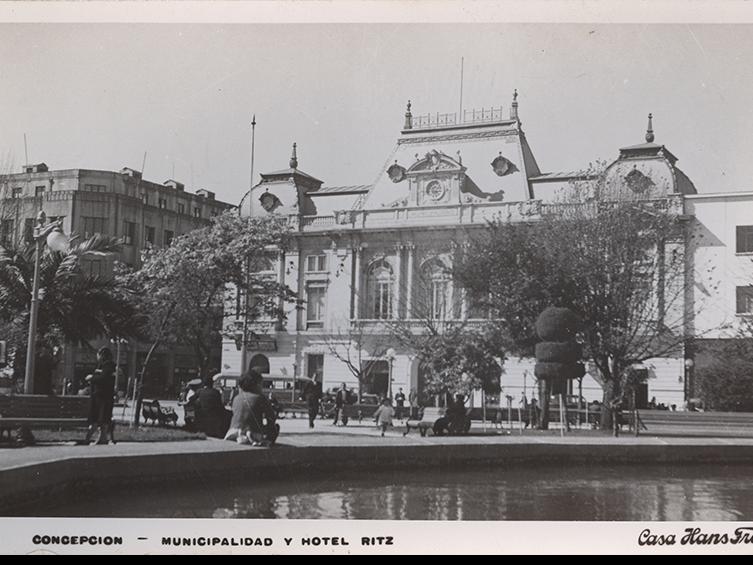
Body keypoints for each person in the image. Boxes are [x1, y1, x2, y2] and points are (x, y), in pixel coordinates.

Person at [224, 371, 280, 446]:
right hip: (252, 434)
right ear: (256, 385)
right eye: (261, 384)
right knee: (275, 427)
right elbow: (271, 418)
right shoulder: (260, 398)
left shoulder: (236, 398)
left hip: (232, 432)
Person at [84, 347, 117, 445]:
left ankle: (98, 439)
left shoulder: (108, 366)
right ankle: (101, 438)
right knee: (101, 419)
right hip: (100, 396)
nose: (97, 357)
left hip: (102, 397)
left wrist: (91, 378)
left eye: (98, 354)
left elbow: (103, 378)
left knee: (101, 418)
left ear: (102, 355)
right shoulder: (104, 366)